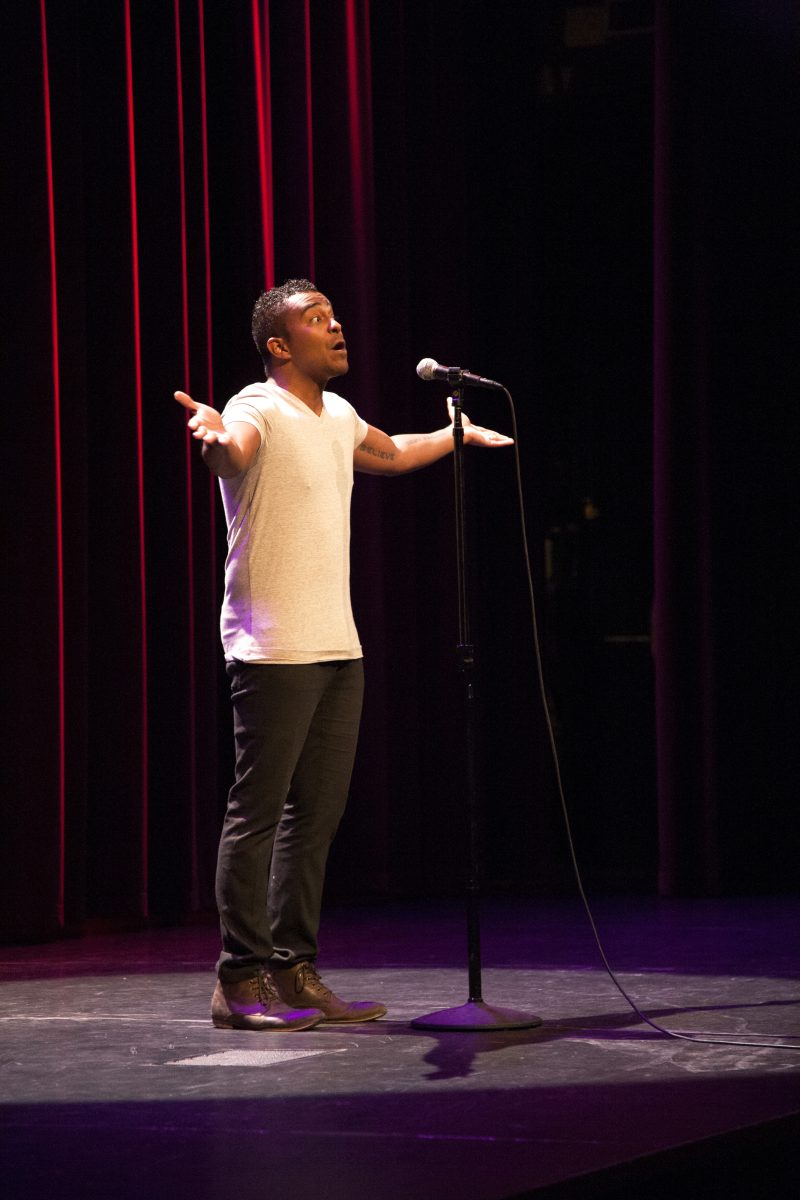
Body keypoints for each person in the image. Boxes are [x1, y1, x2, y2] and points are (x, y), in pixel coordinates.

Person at [175, 278, 512, 1031]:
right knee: (258, 813)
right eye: (316, 319)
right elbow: (236, 455)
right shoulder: (254, 406)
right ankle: (239, 981)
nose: (336, 327)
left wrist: (456, 435)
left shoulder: (340, 414)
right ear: (278, 344)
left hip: (337, 643)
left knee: (315, 819)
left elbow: (388, 454)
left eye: (334, 315)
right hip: (273, 647)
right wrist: (215, 443)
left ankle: (295, 971)